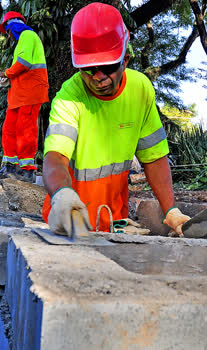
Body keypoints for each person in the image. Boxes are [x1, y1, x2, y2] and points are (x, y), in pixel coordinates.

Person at [41, 2, 191, 236]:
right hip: (69, 222)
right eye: (89, 68)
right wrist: (62, 196)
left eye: (108, 67)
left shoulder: (140, 89)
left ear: (126, 60)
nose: (99, 77)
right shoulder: (69, 98)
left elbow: (154, 157)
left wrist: (171, 211)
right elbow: (55, 158)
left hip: (113, 219)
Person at [0, 11, 49, 182]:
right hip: (19, 94)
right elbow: (21, 68)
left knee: (25, 130)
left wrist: (3, 73)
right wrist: (8, 78)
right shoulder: (23, 40)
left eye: (6, 31)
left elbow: (24, 63)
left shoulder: (28, 35)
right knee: (9, 129)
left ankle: (26, 170)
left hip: (31, 91)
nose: (7, 36)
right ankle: (10, 167)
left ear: (11, 27)